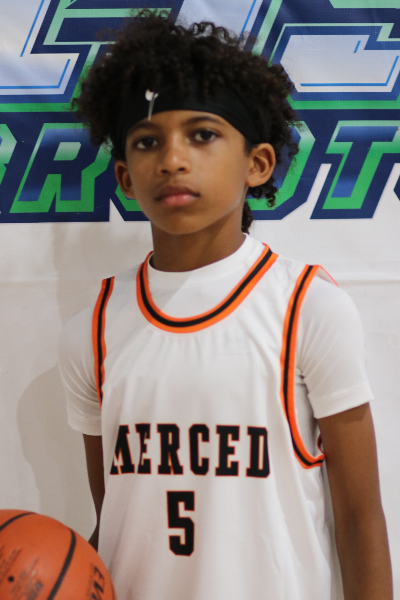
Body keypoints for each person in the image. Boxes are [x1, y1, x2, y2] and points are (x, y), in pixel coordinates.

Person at [58, 11, 392, 600]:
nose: (173, 159)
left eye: (202, 134)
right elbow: (117, 517)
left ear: (257, 163)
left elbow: (361, 522)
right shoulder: (92, 329)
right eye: (148, 141)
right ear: (126, 178)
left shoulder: (307, 307)